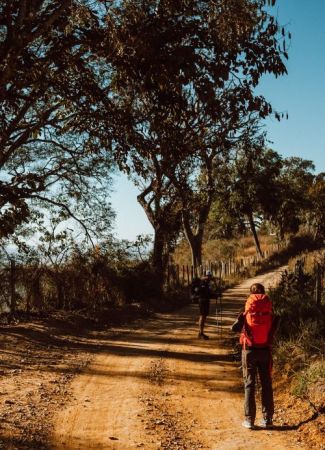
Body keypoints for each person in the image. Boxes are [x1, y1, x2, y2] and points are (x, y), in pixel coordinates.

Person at [232, 283, 277, 430]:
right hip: (265, 351)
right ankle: (268, 419)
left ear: (250, 295)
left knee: (249, 384)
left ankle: (249, 420)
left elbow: (234, 328)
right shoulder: (270, 312)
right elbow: (274, 329)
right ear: (264, 293)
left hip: (249, 350)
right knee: (266, 384)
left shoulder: (247, 311)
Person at [192, 270, 216, 340]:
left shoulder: (207, 283)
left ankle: (201, 332)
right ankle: (200, 333)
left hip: (205, 301)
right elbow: (203, 292)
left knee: (204, 316)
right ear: (205, 275)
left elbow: (208, 293)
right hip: (202, 301)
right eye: (208, 276)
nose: (209, 278)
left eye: (210, 276)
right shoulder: (202, 283)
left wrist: (215, 295)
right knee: (202, 316)